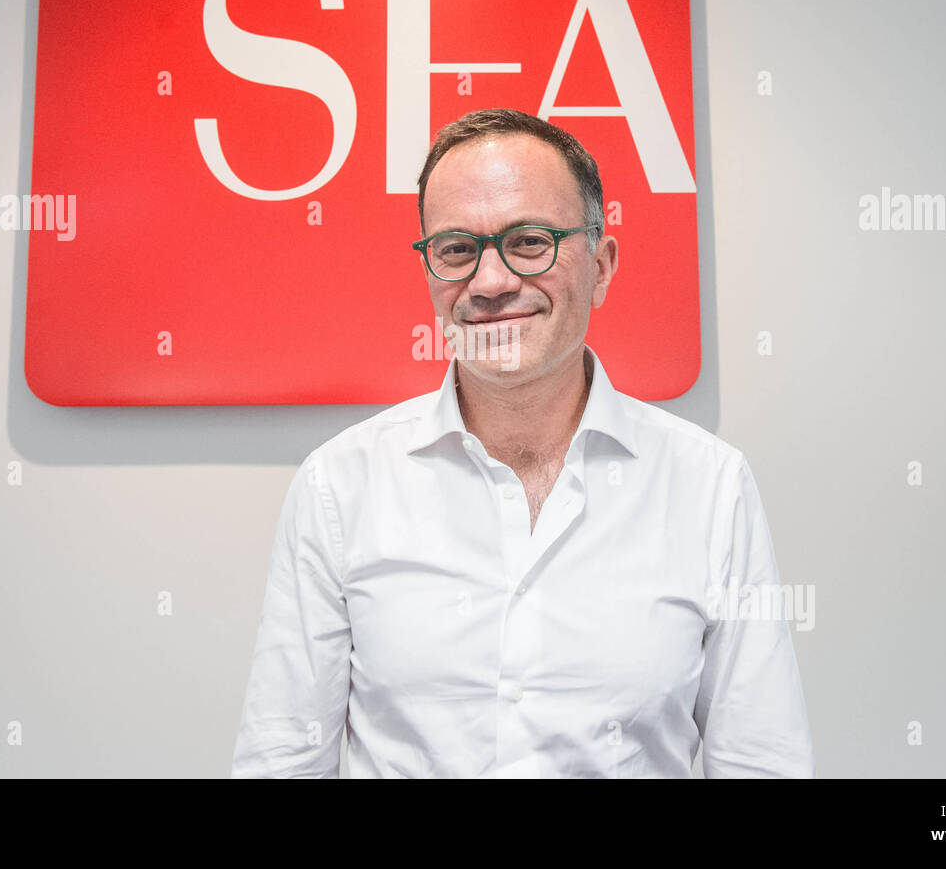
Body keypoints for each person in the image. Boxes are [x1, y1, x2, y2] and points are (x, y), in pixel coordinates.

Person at [231, 108, 813, 778]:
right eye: (456, 249)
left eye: (530, 241)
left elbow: (762, 760)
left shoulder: (710, 486)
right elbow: (280, 760)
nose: (490, 282)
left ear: (600, 265)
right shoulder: (338, 485)